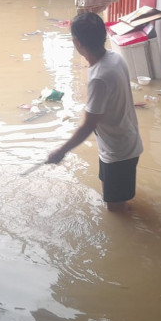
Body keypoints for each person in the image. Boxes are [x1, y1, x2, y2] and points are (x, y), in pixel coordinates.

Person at [47, 12, 143, 212]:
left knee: (116, 211)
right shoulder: (115, 58)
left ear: (77, 42)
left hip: (118, 152)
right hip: (118, 143)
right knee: (111, 196)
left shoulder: (99, 77)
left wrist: (61, 151)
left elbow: (88, 125)